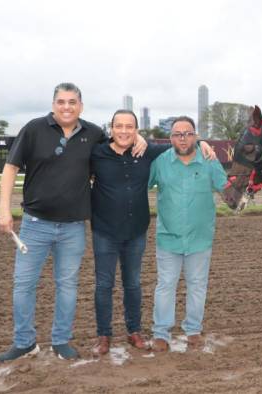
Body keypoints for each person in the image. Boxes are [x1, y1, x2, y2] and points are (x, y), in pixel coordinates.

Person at [0, 83, 147, 362]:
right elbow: (10, 168)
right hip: (35, 223)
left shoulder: (94, 134)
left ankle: (61, 341)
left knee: (67, 286)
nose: (67, 107)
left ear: (81, 106)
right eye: (62, 102)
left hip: (73, 227)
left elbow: (119, 143)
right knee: (23, 285)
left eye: (72, 102)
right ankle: (24, 342)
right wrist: (3, 210)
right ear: (54, 104)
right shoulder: (33, 129)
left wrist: (141, 139)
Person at [89, 110, 216, 356]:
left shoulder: (148, 151)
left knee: (133, 284)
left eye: (129, 127)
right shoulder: (97, 154)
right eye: (119, 126)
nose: (124, 131)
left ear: (137, 130)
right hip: (104, 231)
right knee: (104, 285)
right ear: (111, 129)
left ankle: (134, 331)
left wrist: (203, 143)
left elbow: (182, 142)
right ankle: (103, 335)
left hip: (136, 231)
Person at [148, 116, 227, 352]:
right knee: (165, 285)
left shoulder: (210, 161)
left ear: (196, 135)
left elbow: (226, 189)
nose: (183, 138)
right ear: (171, 138)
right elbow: (138, 184)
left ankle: (193, 331)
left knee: (197, 286)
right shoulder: (160, 162)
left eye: (188, 133)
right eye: (177, 134)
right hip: (168, 238)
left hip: (200, 239)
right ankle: (161, 333)